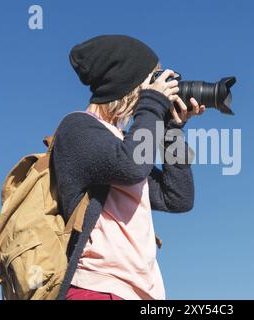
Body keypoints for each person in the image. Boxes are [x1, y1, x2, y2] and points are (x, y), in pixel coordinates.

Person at [50, 35, 205, 300]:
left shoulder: (123, 143)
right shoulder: (77, 128)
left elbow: (178, 197)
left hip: (140, 293)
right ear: (128, 81)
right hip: (97, 287)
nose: (159, 87)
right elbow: (132, 166)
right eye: (152, 78)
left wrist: (171, 130)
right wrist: (153, 103)